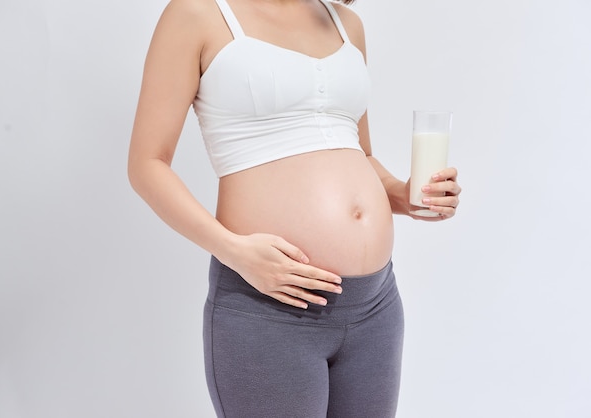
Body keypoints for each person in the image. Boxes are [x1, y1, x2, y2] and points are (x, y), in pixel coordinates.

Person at [128, 0, 461, 416]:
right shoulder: (197, 13)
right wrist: (232, 250)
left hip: (375, 308)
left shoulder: (345, 23)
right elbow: (147, 164)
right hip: (269, 306)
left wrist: (404, 193)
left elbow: (360, 152)